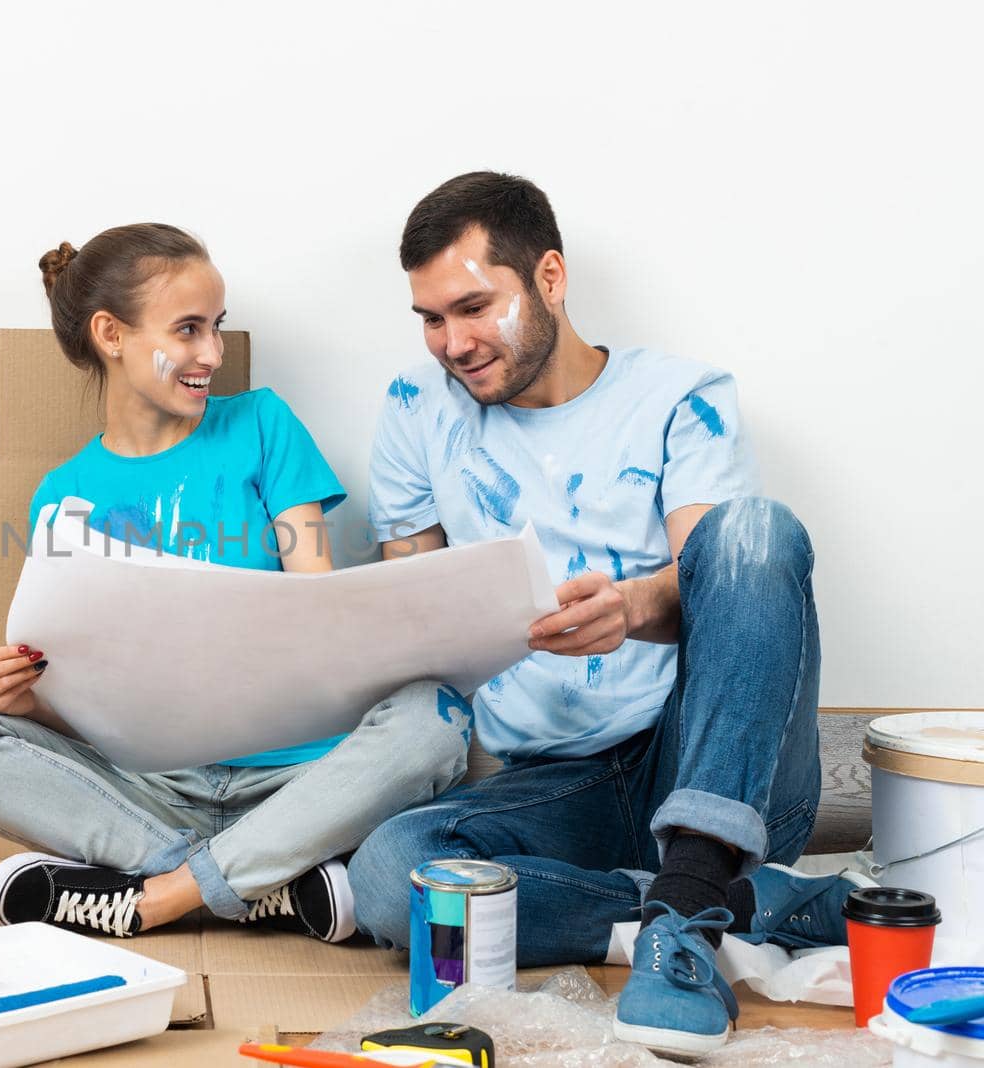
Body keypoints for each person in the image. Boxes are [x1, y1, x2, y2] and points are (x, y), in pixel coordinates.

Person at [348, 173, 869, 1057]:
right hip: (563, 785)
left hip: (708, 753)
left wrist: (632, 606)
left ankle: (696, 881)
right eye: (431, 318)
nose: (454, 343)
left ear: (550, 277)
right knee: (393, 876)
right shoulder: (415, 411)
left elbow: (727, 585)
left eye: (474, 306)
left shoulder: (681, 395)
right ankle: (723, 905)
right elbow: (416, 615)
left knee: (754, 532)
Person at [0, 223, 472, 944]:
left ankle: (157, 896)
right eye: (189, 329)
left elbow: (318, 610)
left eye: (218, 327)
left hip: (298, 780)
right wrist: (27, 699)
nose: (212, 353)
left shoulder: (262, 425)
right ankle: (260, 882)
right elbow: (84, 702)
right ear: (111, 334)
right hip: (149, 792)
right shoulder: (64, 495)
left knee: (436, 718)